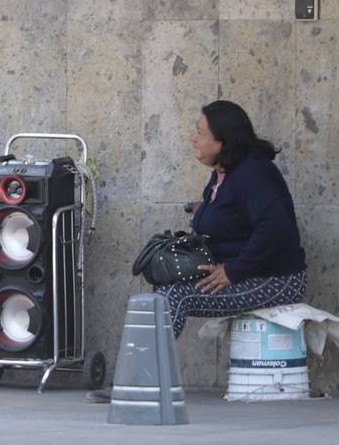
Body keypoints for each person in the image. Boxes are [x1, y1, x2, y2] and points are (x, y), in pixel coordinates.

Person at [87, 99, 307, 404]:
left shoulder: (255, 173)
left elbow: (275, 228)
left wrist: (233, 271)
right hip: (243, 272)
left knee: (176, 296)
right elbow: (235, 212)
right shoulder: (222, 173)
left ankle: (142, 384)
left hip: (276, 279)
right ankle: (136, 380)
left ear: (223, 141)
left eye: (201, 133)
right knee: (160, 294)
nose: (194, 138)